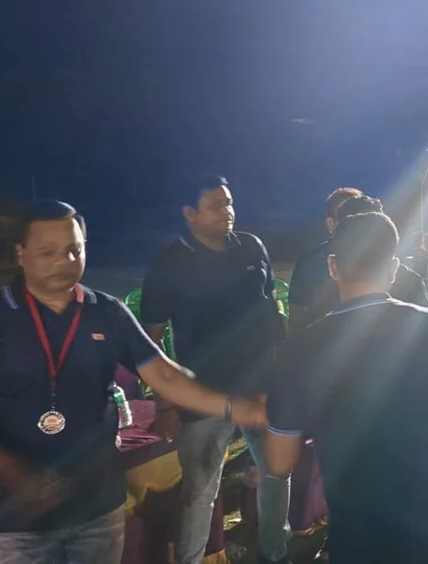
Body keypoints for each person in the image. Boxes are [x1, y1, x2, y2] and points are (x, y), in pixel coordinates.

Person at [0, 200, 267, 564]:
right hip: (17, 519)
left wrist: (232, 406)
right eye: (48, 252)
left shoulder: (106, 312)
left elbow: (163, 374)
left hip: (98, 507)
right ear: (21, 254)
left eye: (74, 249)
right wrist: (13, 473)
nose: (65, 261)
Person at [264, 212, 428, 563]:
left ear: (333, 267)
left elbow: (279, 461)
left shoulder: (301, 349)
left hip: (361, 533)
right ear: (393, 268)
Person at [139, 175, 290, 564]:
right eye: (216, 205)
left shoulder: (251, 247)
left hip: (262, 388)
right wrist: (165, 402)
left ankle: (275, 552)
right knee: (200, 489)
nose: (227, 212)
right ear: (190, 214)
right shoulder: (171, 262)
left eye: (229, 203)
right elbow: (150, 340)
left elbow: (271, 308)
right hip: (203, 393)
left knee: (276, 472)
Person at [288, 187, 364, 331]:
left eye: (361, 216)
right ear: (330, 223)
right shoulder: (310, 264)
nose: (355, 223)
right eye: (347, 217)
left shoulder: (384, 256)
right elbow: (296, 320)